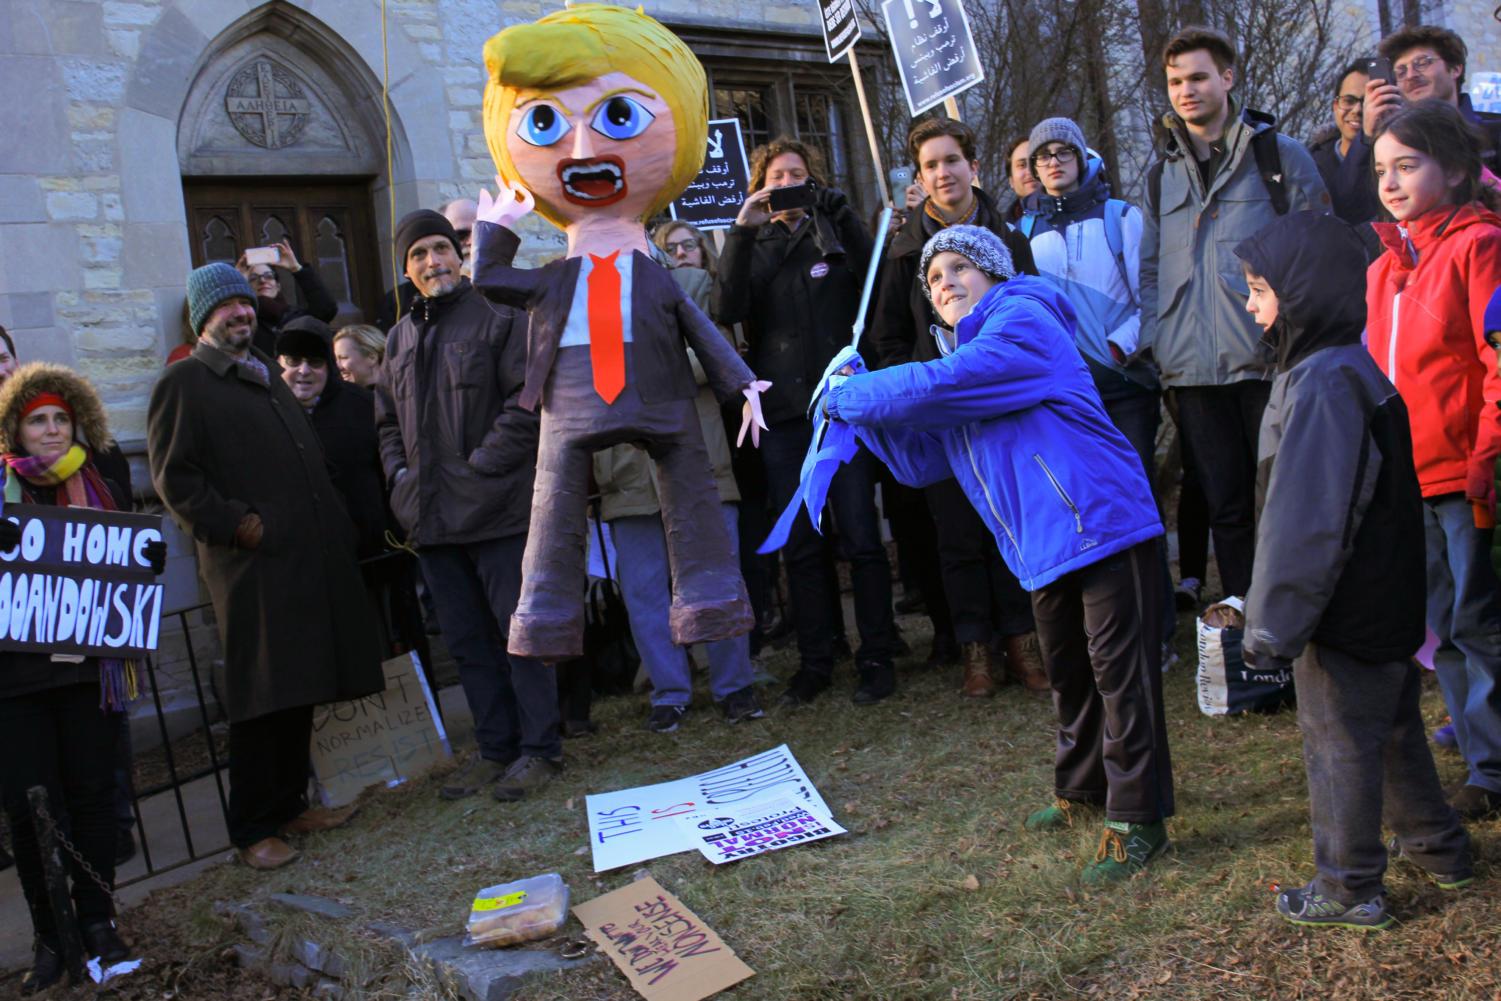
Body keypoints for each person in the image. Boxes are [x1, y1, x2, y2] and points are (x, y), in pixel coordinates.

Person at [822, 225, 1172, 882]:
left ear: (993, 273)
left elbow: (942, 384)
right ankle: (1082, 794)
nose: (945, 283)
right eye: (932, 279)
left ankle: (1139, 817)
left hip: (1101, 523)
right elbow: (922, 460)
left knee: (1119, 679)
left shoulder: (1021, 320)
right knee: (1070, 675)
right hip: (1042, 546)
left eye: (958, 268)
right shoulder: (962, 362)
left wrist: (852, 396)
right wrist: (858, 409)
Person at [475, 4, 763, 666]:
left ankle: (711, 596)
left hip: (659, 398)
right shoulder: (554, 277)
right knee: (552, 508)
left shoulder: (657, 276)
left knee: (689, 487)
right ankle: (544, 614)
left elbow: (699, 330)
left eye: (616, 117)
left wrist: (741, 385)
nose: (581, 151)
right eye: (545, 122)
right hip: (571, 404)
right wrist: (497, 227)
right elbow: (491, 278)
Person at [1233, 210, 1473, 930]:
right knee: (1391, 726)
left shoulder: (1323, 383)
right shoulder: (1340, 366)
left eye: (1257, 288)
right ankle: (1438, 847)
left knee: (1336, 741)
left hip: (1342, 604)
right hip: (1382, 597)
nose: (1249, 303)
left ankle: (1347, 884)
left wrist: (1271, 626)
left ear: (1300, 293)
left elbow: (1306, 522)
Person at [148, 263, 384, 870]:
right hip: (251, 569)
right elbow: (177, 482)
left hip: (305, 560)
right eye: (226, 308)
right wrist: (242, 526)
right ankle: (253, 828)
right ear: (204, 320)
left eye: (245, 305)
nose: (241, 314)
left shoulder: (263, 374)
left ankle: (290, 804)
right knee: (261, 696)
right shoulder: (184, 384)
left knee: (299, 686)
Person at [376, 209, 563, 802]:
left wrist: (481, 465)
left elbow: (526, 402)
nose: (434, 263)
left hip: (495, 512)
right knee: (467, 644)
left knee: (518, 636)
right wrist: (401, 478)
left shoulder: (498, 319)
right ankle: (496, 749)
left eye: (440, 250)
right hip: (431, 522)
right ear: (406, 271)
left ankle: (540, 749)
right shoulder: (399, 338)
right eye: (419, 256)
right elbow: (384, 422)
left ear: (459, 254)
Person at [1141, 25, 1328, 600]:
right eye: (1175, 81)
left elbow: (1321, 250)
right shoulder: (1160, 173)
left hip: (1267, 363)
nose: (1186, 90)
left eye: (1198, 76)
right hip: (1192, 373)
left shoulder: (1279, 157)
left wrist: (1299, 341)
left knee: (1283, 502)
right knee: (1226, 509)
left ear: (1227, 77)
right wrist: (1158, 340)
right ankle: (1250, 637)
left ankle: (1301, 624)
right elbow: (1150, 268)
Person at [713, 136, 899, 706]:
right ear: (761, 185)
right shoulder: (755, 241)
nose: (788, 184)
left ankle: (878, 654)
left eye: (798, 174)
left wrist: (837, 210)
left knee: (860, 533)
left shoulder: (833, 229)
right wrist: (742, 231)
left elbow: (877, 276)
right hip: (784, 413)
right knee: (801, 542)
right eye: (777, 176)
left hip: (841, 406)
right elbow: (728, 308)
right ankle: (817, 659)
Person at [0, 362, 166, 991]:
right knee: (28, 811)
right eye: (36, 419)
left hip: (86, 677)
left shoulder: (104, 479)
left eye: (59, 419)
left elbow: (128, 565)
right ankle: (51, 936)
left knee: (96, 799)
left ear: (78, 424)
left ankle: (98, 922)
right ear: (15, 428)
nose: (49, 430)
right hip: (13, 683)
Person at [870, 117, 1045, 698]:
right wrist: (921, 382)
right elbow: (888, 336)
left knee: (1010, 526)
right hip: (943, 417)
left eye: (952, 160)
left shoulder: (1009, 237)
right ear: (919, 177)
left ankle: (1023, 643)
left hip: (1005, 411)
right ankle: (976, 650)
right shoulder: (903, 250)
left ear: (973, 164)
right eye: (931, 165)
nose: (943, 173)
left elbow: (1032, 315)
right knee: (958, 536)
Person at [1365, 100, 1501, 821]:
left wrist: (1486, 453)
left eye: (1406, 166)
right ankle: (1483, 755)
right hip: (1410, 477)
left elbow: (1496, 358)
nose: (1389, 181)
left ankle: (1492, 766)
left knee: (1479, 622)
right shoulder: (1384, 267)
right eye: (1381, 168)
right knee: (1443, 627)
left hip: (1466, 472)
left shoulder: (1478, 247)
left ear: (1451, 170)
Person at [1343, 25, 1501, 217]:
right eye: (1401, 71)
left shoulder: (1494, 133)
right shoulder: (1387, 141)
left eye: (1422, 63)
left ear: (1455, 68)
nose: (1411, 75)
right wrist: (1367, 137)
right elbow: (1350, 209)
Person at [276, 318, 387, 557]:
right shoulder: (262, 411)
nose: (303, 371)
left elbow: (390, 475)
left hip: (365, 555)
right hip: (293, 558)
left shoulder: (365, 407)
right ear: (279, 363)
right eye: (293, 361)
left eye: (315, 362)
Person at [1307, 61, 1381, 225]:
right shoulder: (1310, 162)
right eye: (1349, 101)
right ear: (1335, 106)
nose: (1357, 110)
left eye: (1368, 101)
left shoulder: (1394, 165)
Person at [235, 241, 338, 357]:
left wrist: (296, 268)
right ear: (246, 286)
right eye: (253, 278)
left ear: (278, 286)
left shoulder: (296, 316)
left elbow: (326, 309)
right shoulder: (243, 321)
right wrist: (236, 282)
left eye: (268, 276)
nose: (263, 281)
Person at [1004, 135, 1040, 223]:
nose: (1030, 171)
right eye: (1022, 165)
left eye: (1035, 162)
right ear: (1011, 180)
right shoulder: (999, 231)